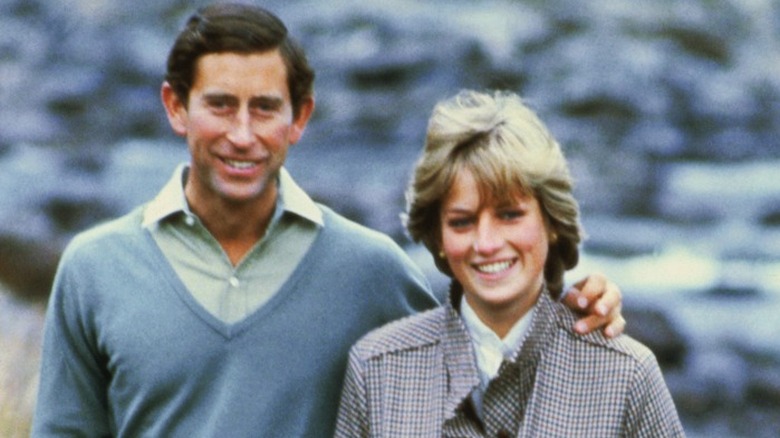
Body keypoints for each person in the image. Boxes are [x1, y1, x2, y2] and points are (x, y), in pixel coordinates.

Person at [32, 4, 625, 437]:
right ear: (176, 108)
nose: (243, 134)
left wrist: (574, 303)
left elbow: (490, 352)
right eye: (220, 105)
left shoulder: (368, 271)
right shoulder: (94, 269)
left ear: (300, 118)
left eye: (265, 108)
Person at [335, 90, 685, 437]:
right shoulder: (376, 371)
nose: (486, 243)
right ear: (438, 239)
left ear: (551, 223)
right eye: (462, 221)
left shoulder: (626, 373)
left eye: (509, 215)